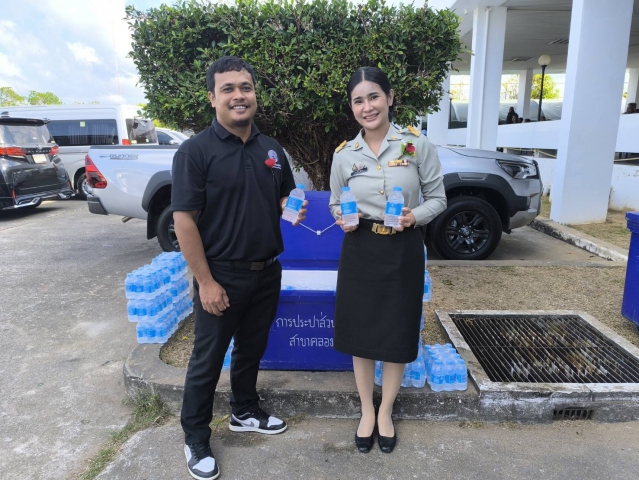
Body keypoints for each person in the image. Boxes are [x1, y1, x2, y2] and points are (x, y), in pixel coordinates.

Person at [172, 55, 307, 480]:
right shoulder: (195, 152)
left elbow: (283, 194)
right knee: (207, 360)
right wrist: (205, 281)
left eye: (245, 87)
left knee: (251, 349)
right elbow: (184, 220)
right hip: (221, 276)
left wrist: (290, 205)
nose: (238, 95)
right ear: (212, 98)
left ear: (254, 94)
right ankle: (195, 438)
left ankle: (244, 411)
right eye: (227, 88)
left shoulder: (272, 149)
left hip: (267, 270)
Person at [328, 67, 446, 454]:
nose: (368, 107)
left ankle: (386, 411)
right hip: (360, 248)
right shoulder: (344, 155)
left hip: (403, 247)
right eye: (358, 100)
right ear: (352, 107)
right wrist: (341, 217)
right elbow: (335, 202)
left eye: (374, 96)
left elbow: (438, 199)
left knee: (397, 330)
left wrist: (416, 216)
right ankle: (366, 409)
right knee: (360, 332)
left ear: (390, 98)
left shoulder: (416, 145)